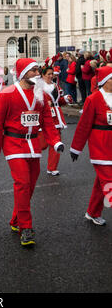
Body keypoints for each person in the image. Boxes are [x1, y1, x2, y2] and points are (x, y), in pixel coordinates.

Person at [0, 58, 64, 247]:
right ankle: (26, 228)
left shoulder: (41, 96)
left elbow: (47, 122)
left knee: (29, 186)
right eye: (34, 71)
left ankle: (15, 220)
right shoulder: (7, 94)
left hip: (34, 145)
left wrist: (55, 142)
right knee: (22, 183)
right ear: (22, 73)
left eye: (38, 70)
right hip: (13, 144)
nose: (38, 74)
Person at [70, 66, 112, 226]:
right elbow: (83, 126)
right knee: (109, 181)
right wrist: (76, 148)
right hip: (99, 147)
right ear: (104, 81)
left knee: (101, 184)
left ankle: (93, 212)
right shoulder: (93, 99)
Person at [39, 66, 72, 175]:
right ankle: (29, 156)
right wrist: (43, 104)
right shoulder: (38, 87)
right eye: (48, 74)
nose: (50, 76)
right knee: (42, 144)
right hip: (44, 117)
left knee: (56, 142)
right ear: (43, 75)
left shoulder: (55, 86)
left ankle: (52, 168)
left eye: (51, 74)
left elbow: (58, 102)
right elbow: (33, 103)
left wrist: (65, 99)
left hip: (56, 117)